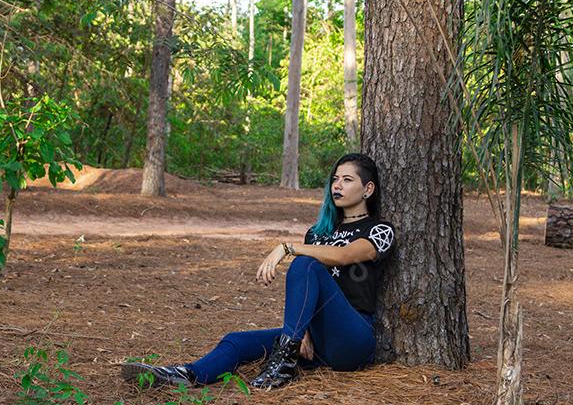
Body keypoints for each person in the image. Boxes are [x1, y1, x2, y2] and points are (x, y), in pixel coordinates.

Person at [122, 153, 394, 390]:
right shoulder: (317, 233)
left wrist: (287, 248)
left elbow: (345, 256)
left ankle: (283, 362)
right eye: (335, 179)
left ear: (367, 189)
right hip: (315, 341)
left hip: (352, 338)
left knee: (304, 263)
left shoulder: (379, 230)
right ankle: (185, 375)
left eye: (347, 180)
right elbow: (307, 292)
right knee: (237, 341)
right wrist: (303, 333)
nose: (337, 185)